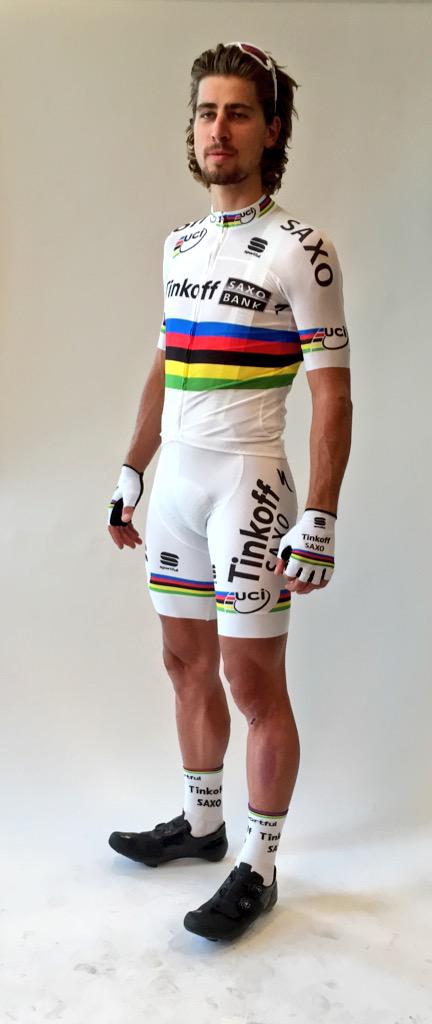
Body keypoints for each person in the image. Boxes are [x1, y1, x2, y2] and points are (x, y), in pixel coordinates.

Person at [107, 41, 352, 942]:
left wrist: (319, 515)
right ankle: (202, 824)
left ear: (271, 130)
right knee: (183, 663)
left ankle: (260, 865)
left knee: (254, 684)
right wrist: (132, 470)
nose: (218, 128)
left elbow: (334, 392)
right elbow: (167, 360)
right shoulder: (180, 245)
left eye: (238, 113)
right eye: (207, 112)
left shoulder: (300, 248)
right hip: (177, 481)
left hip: (248, 484)